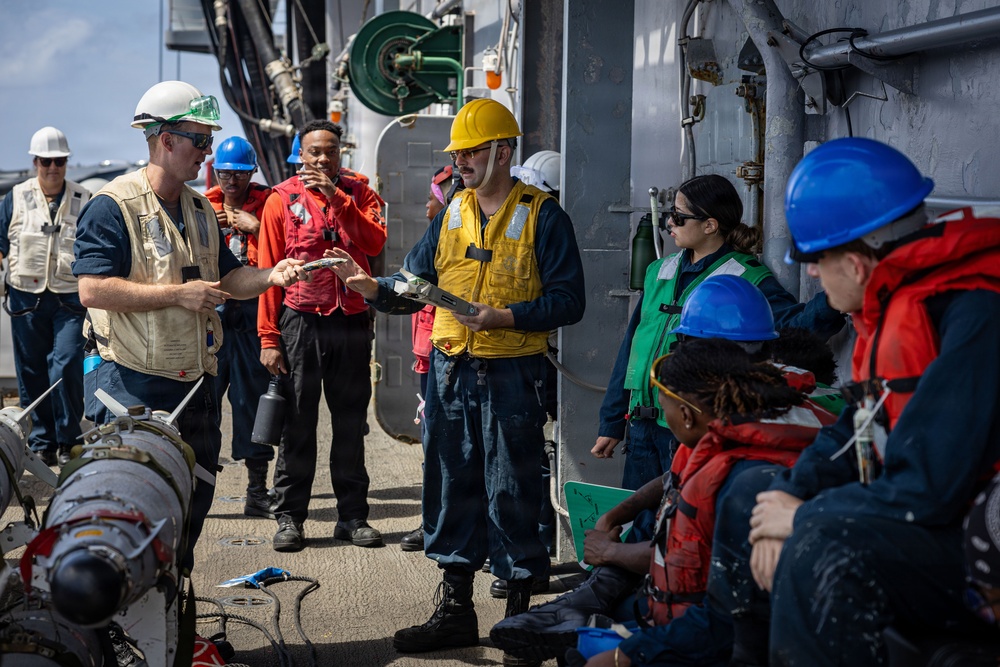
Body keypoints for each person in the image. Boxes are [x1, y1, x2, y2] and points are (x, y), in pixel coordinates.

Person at [713, 137, 1000, 666]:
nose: (812, 273)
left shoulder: (975, 315)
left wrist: (803, 516)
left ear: (856, 263)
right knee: (750, 494)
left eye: (816, 259)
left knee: (824, 543)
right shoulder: (892, 310)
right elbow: (853, 429)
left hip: (978, 547)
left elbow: (929, 489)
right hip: (927, 518)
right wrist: (785, 498)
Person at [324, 98, 586, 658]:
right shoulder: (452, 213)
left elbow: (570, 301)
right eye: (458, 153)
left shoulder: (545, 217)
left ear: (502, 152)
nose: (460, 161)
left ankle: (519, 619)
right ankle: (456, 611)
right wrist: (370, 287)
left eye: (471, 151)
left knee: (513, 488)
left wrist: (505, 317)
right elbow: (412, 282)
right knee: (450, 485)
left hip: (512, 373)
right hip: (451, 372)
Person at [492, 305, 835, 666]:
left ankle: (588, 615)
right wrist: (618, 514)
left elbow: (714, 603)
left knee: (583, 655)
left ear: (686, 414)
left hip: (720, 632)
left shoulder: (746, 479)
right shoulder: (736, 412)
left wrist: (623, 652)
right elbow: (675, 481)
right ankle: (586, 605)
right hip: (698, 612)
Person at [73, 80, 307, 571]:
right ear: (165, 139)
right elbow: (92, 290)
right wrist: (178, 295)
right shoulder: (112, 206)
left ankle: (174, 594)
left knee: (194, 496)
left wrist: (270, 275)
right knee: (130, 505)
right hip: (130, 379)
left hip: (194, 380)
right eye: (200, 140)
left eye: (208, 140)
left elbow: (228, 278)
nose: (207, 151)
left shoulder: (201, 209)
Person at [593, 174, 845, 492]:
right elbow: (631, 347)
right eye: (671, 213)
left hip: (693, 427)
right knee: (639, 515)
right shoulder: (660, 271)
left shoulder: (746, 278)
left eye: (679, 216)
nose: (669, 222)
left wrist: (837, 297)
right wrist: (612, 421)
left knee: (682, 509)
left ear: (710, 225)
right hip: (641, 428)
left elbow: (794, 328)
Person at [256, 118, 388, 553]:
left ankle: (352, 517)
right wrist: (269, 338)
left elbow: (373, 242)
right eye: (314, 152)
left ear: (340, 153)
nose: (323, 159)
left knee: (351, 424)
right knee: (297, 424)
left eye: (330, 151)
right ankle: (290, 517)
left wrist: (337, 197)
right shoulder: (280, 199)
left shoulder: (360, 193)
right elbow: (269, 273)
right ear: (301, 154)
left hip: (351, 321)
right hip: (301, 322)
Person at [0, 127, 90, 467]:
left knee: (66, 364)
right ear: (35, 162)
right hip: (26, 298)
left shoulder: (84, 199)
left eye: (59, 161)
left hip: (69, 300)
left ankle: (69, 440)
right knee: (31, 371)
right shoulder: (15, 198)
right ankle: (41, 441)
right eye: (46, 161)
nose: (53, 168)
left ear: (66, 162)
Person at [204, 136, 274, 519]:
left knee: (251, 401)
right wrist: (205, 229)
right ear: (216, 172)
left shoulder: (270, 204)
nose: (232, 182)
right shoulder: (201, 205)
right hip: (211, 315)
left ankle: (257, 490)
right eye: (225, 174)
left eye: (240, 174)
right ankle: (197, 487)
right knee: (204, 403)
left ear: (252, 173)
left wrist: (258, 228)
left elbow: (286, 251)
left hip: (251, 315)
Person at [401, 163, 465, 554]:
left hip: (449, 354)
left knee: (445, 445)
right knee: (433, 443)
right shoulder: (435, 238)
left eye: (432, 199)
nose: (426, 206)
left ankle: (442, 525)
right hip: (430, 357)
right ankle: (433, 521)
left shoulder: (454, 239)